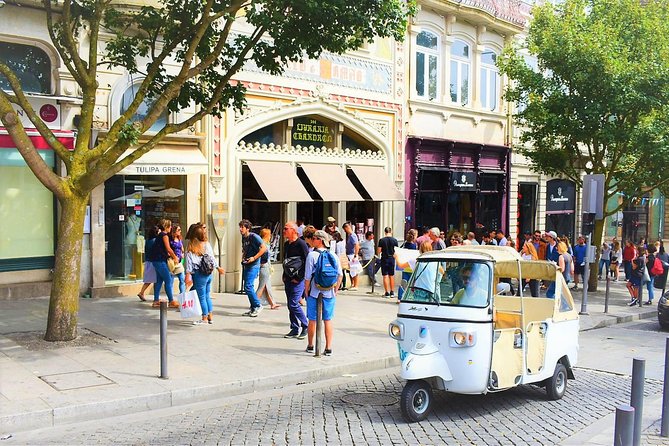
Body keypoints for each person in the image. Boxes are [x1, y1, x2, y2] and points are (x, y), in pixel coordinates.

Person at [304, 230, 343, 356]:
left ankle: (310, 345)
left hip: (314, 292)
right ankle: (328, 347)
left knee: (312, 320)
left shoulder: (312, 255)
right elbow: (340, 275)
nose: (312, 240)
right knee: (328, 320)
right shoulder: (333, 255)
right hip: (329, 292)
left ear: (319, 240)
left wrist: (306, 291)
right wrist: (335, 290)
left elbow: (308, 277)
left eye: (314, 238)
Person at [185, 225, 224, 324]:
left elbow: (190, 263)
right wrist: (218, 267)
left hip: (198, 274)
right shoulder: (207, 244)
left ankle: (204, 318)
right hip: (208, 273)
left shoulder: (191, 246)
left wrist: (188, 274)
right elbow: (211, 258)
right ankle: (210, 315)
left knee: (201, 296)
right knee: (206, 295)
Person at [282, 222, 309, 339]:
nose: (284, 231)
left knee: (294, 303)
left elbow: (307, 261)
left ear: (294, 230)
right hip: (288, 278)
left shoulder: (301, 244)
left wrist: (299, 277)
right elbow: (286, 261)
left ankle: (305, 325)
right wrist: (284, 275)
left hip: (298, 280)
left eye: (286, 229)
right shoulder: (286, 244)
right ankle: (294, 328)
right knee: (290, 304)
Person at [239, 219, 267, 317]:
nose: (240, 229)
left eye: (242, 227)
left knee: (248, 286)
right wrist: (243, 257)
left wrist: (254, 258)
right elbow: (244, 249)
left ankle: (258, 305)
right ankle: (253, 308)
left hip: (254, 264)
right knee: (247, 287)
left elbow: (264, 248)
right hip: (247, 264)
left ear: (247, 228)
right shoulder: (244, 238)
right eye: (240, 227)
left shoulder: (254, 237)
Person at [151, 219, 180, 309]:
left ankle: (156, 300)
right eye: (170, 226)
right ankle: (171, 300)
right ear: (166, 227)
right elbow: (168, 248)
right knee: (168, 280)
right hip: (160, 260)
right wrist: (175, 257)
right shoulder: (164, 236)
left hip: (156, 260)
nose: (171, 228)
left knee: (159, 280)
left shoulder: (159, 235)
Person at [256, 228, 280, 310]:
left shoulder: (263, 243)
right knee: (263, 286)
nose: (270, 236)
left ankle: (272, 303)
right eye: (269, 235)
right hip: (265, 266)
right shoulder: (263, 244)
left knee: (266, 286)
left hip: (266, 265)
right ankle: (255, 302)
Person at [137, 226, 159, 301]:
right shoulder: (155, 241)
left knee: (149, 280)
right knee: (155, 280)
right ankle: (144, 293)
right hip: (153, 261)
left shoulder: (148, 240)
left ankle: (142, 292)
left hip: (148, 261)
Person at [377, 227, 398, 298]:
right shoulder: (395, 240)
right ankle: (392, 292)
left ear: (385, 232)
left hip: (384, 258)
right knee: (391, 275)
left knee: (385, 275)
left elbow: (379, 251)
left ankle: (387, 292)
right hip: (392, 258)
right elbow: (396, 251)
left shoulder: (382, 240)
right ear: (391, 231)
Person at [397, 230, 418, 302]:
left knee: (403, 282)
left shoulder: (405, 244)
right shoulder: (414, 246)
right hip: (411, 266)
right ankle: (410, 297)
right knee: (412, 284)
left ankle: (400, 298)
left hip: (404, 266)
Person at [342, 222, 360, 291]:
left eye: (344, 229)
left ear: (347, 228)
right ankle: (353, 284)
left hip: (352, 254)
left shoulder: (353, 235)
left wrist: (356, 255)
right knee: (351, 271)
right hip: (349, 254)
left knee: (354, 270)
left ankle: (356, 285)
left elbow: (356, 245)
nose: (344, 231)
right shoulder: (350, 235)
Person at [169, 224, 186, 296]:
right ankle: (171, 296)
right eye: (178, 230)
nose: (180, 231)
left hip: (179, 262)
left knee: (182, 279)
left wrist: (182, 254)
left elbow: (182, 248)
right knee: (171, 280)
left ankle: (182, 294)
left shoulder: (179, 239)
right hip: (172, 262)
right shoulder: (170, 240)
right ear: (174, 231)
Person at [544, 231, 560, 299]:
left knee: (554, 290)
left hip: (557, 268)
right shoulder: (547, 246)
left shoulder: (558, 246)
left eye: (548, 236)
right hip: (550, 268)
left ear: (552, 238)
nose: (546, 238)